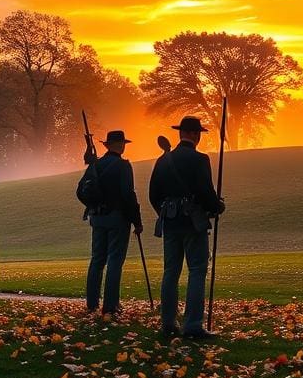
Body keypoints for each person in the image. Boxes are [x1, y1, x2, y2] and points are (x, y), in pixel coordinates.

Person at [149, 116, 225, 340]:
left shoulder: (164, 160)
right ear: (195, 134)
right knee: (197, 270)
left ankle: (168, 322)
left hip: (170, 222)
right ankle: (192, 324)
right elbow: (204, 191)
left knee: (170, 272)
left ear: (181, 133)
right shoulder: (200, 159)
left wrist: (166, 212)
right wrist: (217, 206)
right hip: (193, 223)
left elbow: (153, 195)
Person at [84, 129, 143, 317]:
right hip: (117, 218)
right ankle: (111, 305)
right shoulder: (123, 166)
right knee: (115, 260)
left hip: (97, 217)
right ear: (119, 145)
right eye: (123, 143)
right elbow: (128, 195)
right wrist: (137, 221)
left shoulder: (96, 165)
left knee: (97, 260)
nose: (124, 146)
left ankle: (92, 303)